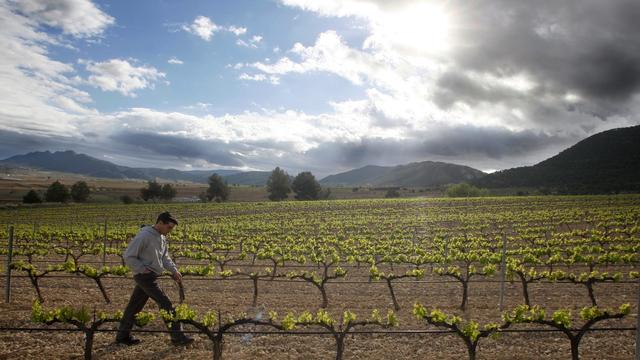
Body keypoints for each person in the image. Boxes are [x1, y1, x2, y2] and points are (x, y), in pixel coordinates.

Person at [115, 211, 194, 346]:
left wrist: (174, 270)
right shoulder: (144, 235)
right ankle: (177, 337)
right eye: (169, 227)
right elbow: (128, 255)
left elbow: (164, 257)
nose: (170, 231)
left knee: (134, 307)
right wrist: (143, 269)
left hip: (150, 276)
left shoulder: (161, 237)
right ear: (160, 223)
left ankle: (122, 336)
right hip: (145, 277)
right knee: (166, 303)